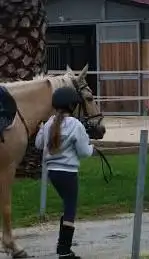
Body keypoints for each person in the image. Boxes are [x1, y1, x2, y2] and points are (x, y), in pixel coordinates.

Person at [35, 86, 94, 259]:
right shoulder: (75, 124)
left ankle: (63, 247)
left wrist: (40, 129)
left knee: (67, 205)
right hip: (68, 172)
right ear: (72, 105)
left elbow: (39, 145)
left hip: (52, 173)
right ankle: (64, 250)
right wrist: (92, 148)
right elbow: (83, 151)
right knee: (70, 209)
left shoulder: (49, 123)